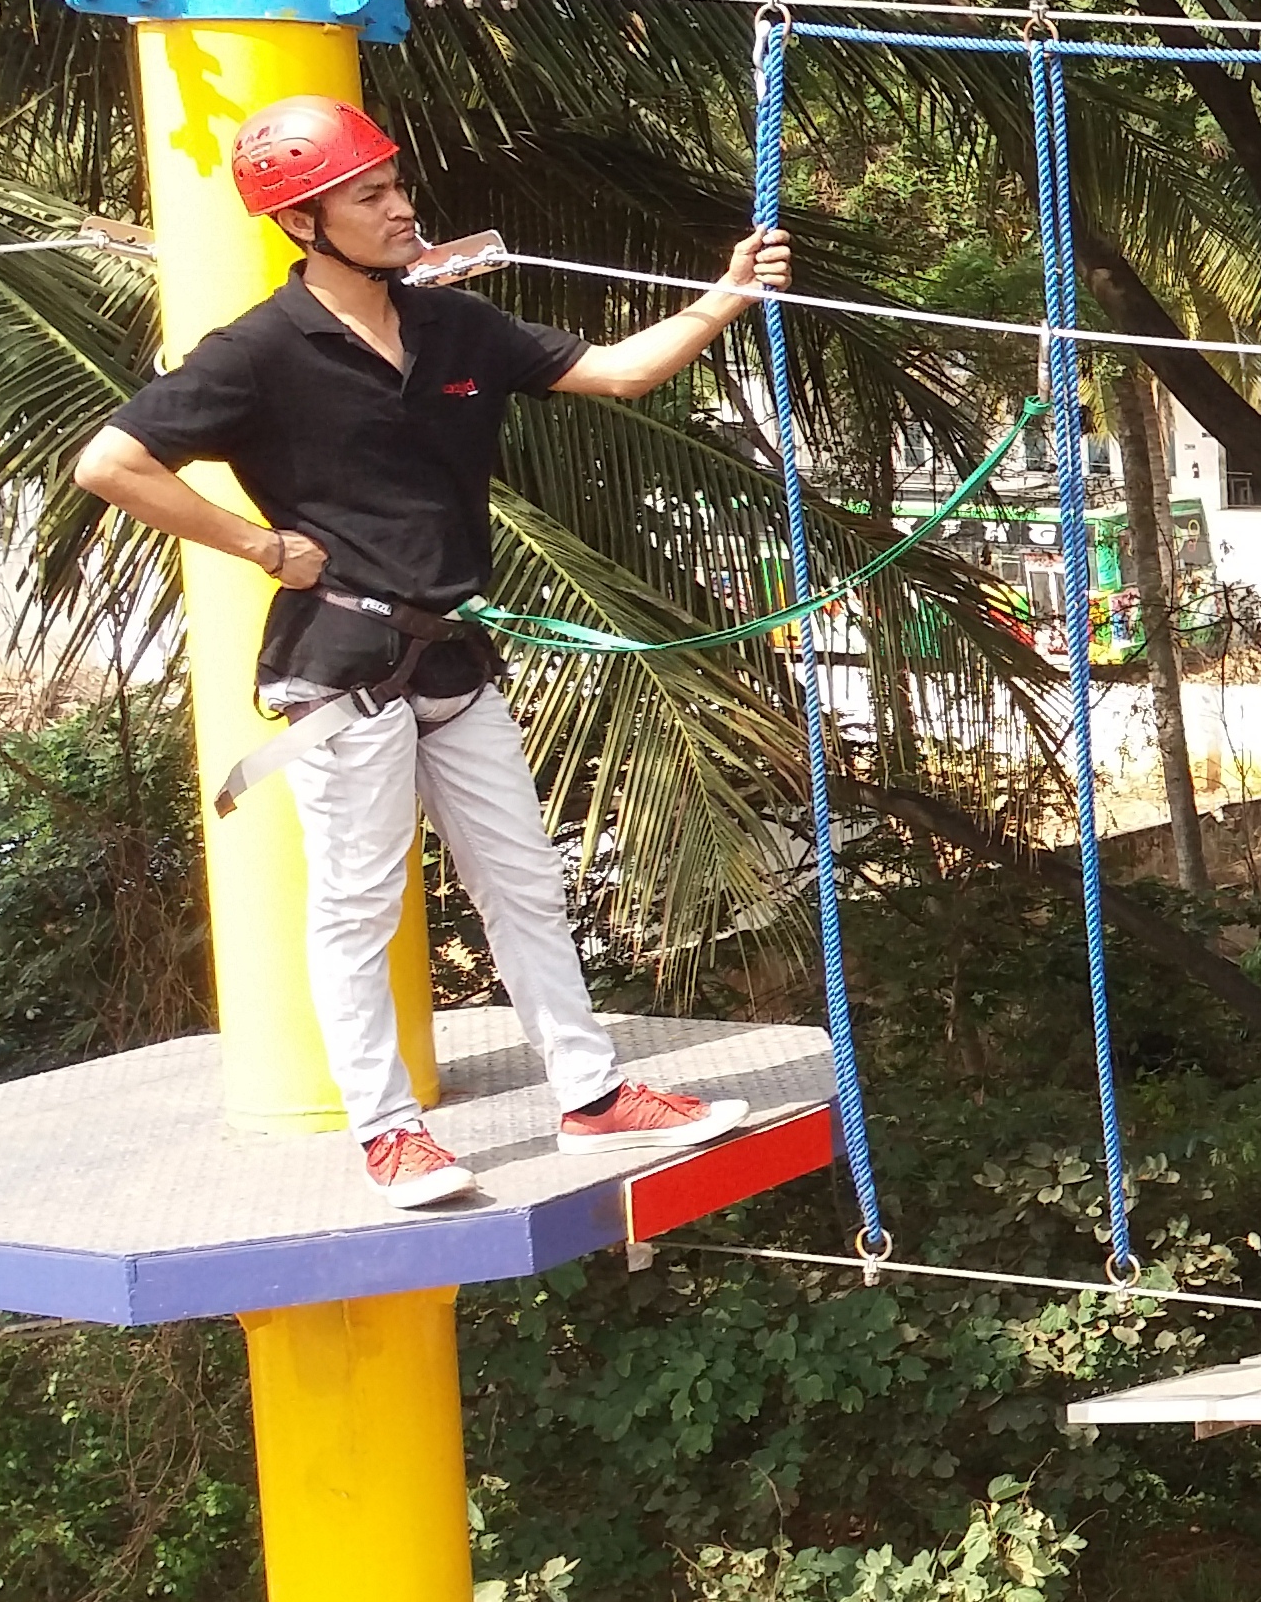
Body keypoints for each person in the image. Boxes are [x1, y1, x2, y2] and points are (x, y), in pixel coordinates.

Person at [74, 96, 785, 1208]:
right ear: (305, 222)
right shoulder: (262, 351)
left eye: (394, 183)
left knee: (526, 884)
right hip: (341, 667)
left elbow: (616, 372)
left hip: (451, 659)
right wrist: (261, 546)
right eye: (370, 195)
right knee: (358, 906)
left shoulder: (456, 328)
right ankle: (389, 1132)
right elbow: (110, 462)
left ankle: (590, 1095)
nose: (400, 206)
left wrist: (724, 298)